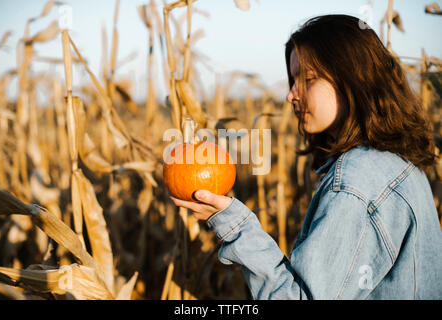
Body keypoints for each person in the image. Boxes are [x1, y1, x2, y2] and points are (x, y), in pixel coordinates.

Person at [168, 14, 442, 299]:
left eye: (308, 79)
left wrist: (235, 226)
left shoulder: (356, 185)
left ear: (354, 79)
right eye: (293, 79)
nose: (291, 95)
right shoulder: (394, 162)